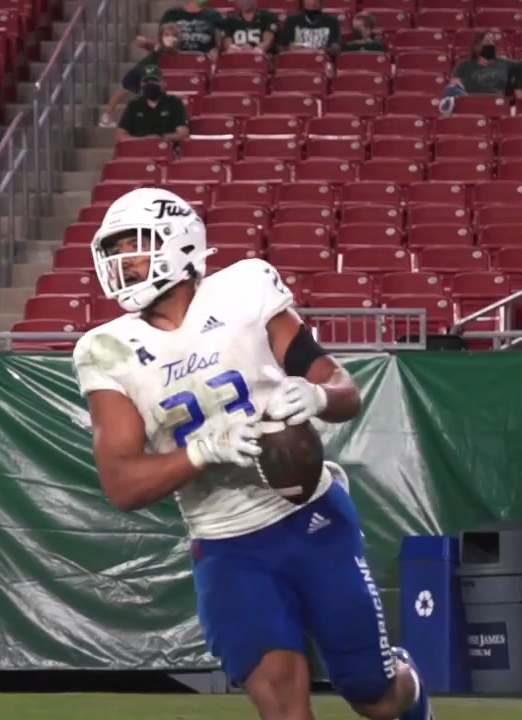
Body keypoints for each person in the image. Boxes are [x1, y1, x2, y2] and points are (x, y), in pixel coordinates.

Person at [73, 185, 434, 720]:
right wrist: (202, 452)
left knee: (374, 698)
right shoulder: (105, 350)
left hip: (312, 518)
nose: (123, 264)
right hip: (226, 545)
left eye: (136, 245)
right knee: (284, 706)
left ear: (179, 245)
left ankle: (411, 692)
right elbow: (122, 484)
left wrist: (315, 394)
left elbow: (342, 388)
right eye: (116, 251)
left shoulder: (244, 288)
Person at [100, 24, 181, 129]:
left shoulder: (176, 53)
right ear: (161, 36)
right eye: (166, 34)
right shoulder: (158, 46)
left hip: (154, 76)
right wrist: (145, 41)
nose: (169, 37)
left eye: (172, 35)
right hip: (140, 70)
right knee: (123, 91)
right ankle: (106, 116)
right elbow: (142, 41)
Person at [115, 65, 189, 143]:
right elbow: (120, 136)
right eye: (146, 81)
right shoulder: (134, 105)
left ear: (163, 83)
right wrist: (145, 140)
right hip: (139, 150)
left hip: (166, 148)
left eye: (154, 81)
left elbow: (183, 133)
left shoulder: (174, 102)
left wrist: (160, 138)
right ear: (141, 84)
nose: (150, 84)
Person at [137, 0, 223, 61]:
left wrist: (216, 51)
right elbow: (162, 43)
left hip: (205, 62)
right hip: (176, 61)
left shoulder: (214, 15)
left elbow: (221, 45)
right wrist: (147, 43)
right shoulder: (171, 14)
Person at [451, 30, 521, 96]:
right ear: (476, 46)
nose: (491, 44)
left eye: (492, 42)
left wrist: (518, 89)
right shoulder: (464, 65)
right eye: (487, 42)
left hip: (497, 105)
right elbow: (454, 88)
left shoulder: (505, 64)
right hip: (470, 103)